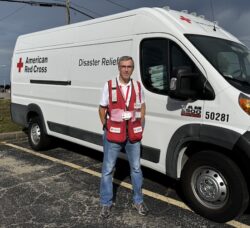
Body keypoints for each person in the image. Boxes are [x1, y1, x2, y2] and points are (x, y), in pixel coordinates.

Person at [98, 56, 148, 218]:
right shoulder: (109, 85)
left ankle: (138, 201)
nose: (126, 69)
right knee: (107, 170)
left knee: (136, 168)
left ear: (133, 68)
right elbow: (102, 108)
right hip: (113, 134)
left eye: (129, 66)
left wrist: (139, 124)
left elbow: (142, 106)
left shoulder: (138, 86)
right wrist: (106, 127)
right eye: (123, 66)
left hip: (133, 135)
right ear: (118, 68)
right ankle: (106, 203)